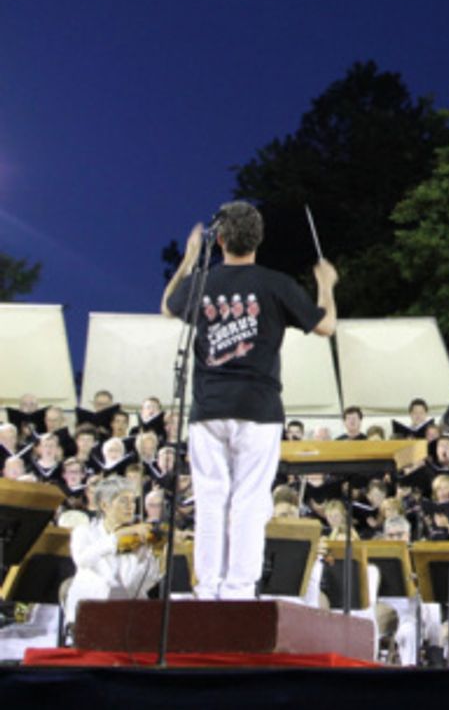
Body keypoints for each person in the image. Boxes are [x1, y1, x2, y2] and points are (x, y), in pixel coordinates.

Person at [162, 201, 337, 600]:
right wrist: (326, 283)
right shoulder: (276, 284)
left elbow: (168, 306)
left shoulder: (202, 281)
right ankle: (239, 589)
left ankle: (208, 587)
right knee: (249, 500)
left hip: (208, 408)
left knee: (210, 499)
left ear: (219, 239)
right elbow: (326, 324)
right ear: (259, 239)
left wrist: (190, 259)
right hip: (258, 409)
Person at [64, 477, 163, 622]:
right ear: (105, 505)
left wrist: (158, 560)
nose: (131, 506)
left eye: (133, 501)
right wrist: (116, 537)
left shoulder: (136, 539)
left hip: (127, 612)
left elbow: (139, 584)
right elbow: (82, 560)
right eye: (123, 501)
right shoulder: (84, 532)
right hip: (91, 606)